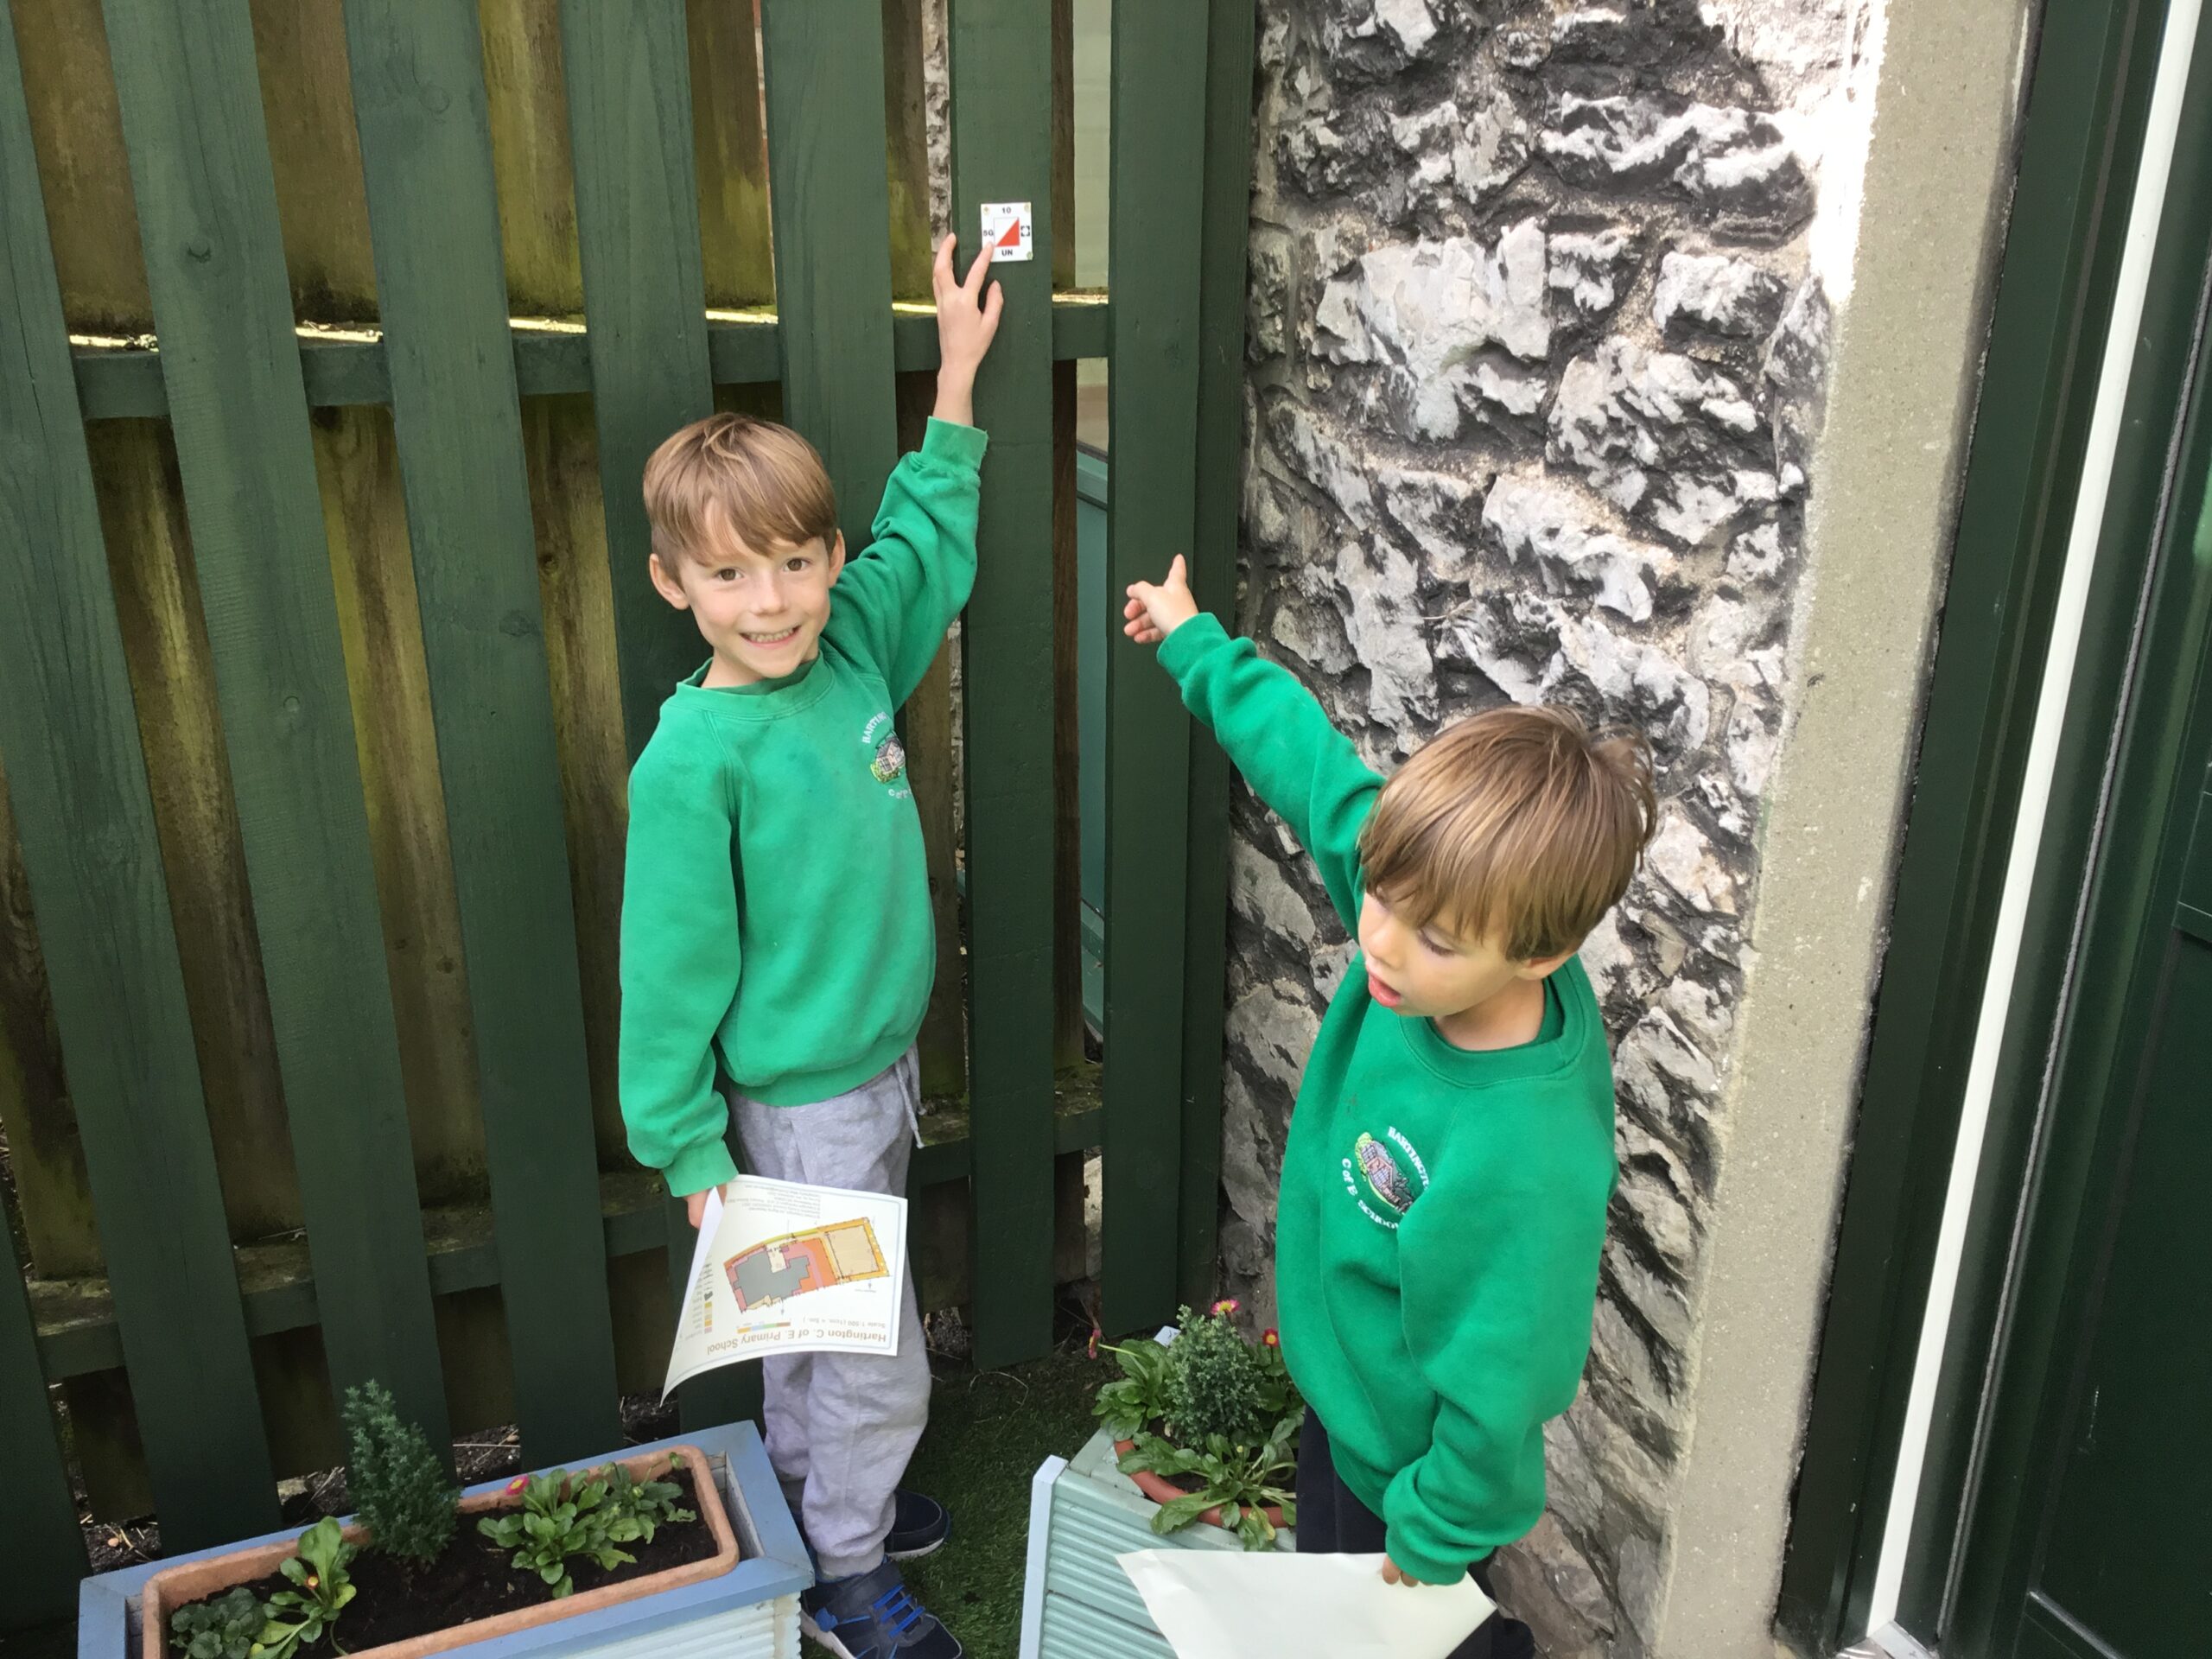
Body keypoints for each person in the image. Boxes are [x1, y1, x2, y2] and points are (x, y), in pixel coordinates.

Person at [1122, 556, 1656, 1659]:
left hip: (1406, 1472)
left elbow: (1509, 1373)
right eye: (1377, 897)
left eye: (1434, 941)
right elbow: (1314, 772)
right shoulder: (1424, 902)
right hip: (1346, 1396)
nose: (1378, 943)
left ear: (1540, 955)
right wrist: (1193, 643)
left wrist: (1437, 1526)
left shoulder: (1524, 1149)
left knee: (1395, 1636)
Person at [618, 235, 1003, 1659]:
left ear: (830, 560)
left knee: (821, 1337)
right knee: (869, 1359)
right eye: (730, 575)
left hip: (876, 1072)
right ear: (674, 584)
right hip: (799, 1113)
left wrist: (956, 374)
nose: (771, 599)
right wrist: (685, 1147)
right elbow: (668, 971)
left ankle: (824, 1502)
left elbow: (926, 542)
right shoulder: (695, 759)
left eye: (794, 562)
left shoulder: (850, 648)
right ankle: (845, 1580)